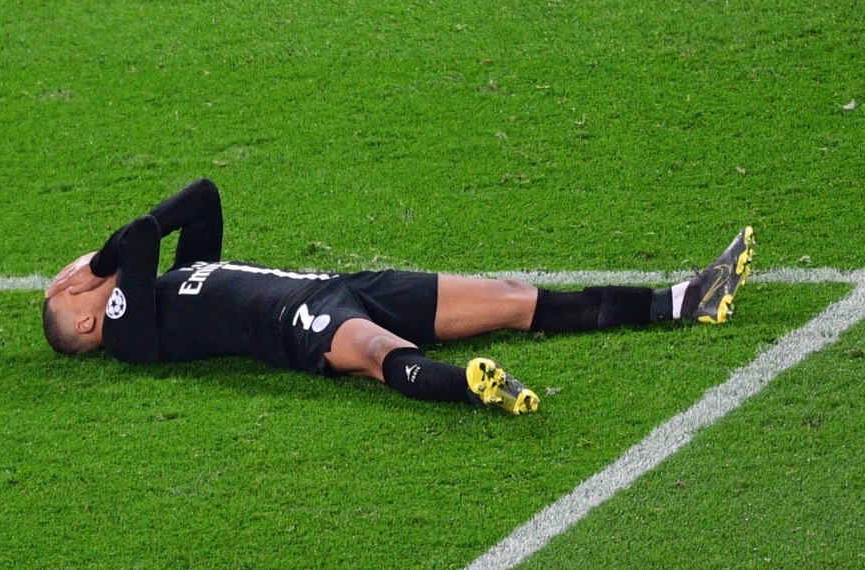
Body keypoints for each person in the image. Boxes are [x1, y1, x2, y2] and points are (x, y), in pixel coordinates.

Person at [43, 179, 755, 415]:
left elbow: (202, 198)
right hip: (298, 326)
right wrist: (97, 264)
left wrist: (100, 264)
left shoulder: (170, 285)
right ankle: (475, 389)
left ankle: (686, 300)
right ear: (83, 315)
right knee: (383, 354)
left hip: (346, 286)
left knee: (510, 296)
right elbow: (138, 234)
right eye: (73, 283)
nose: (85, 271)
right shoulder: (132, 338)